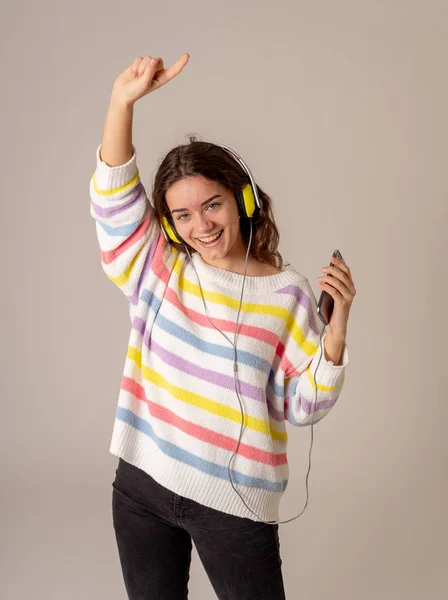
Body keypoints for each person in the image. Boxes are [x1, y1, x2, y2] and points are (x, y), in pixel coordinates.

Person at [89, 53, 356, 600]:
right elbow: (114, 199)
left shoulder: (287, 294)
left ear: (243, 197)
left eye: (211, 205)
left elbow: (301, 406)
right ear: (168, 223)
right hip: (141, 485)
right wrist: (122, 102)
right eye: (182, 216)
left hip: (236, 504)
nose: (200, 226)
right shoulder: (158, 265)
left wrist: (336, 334)